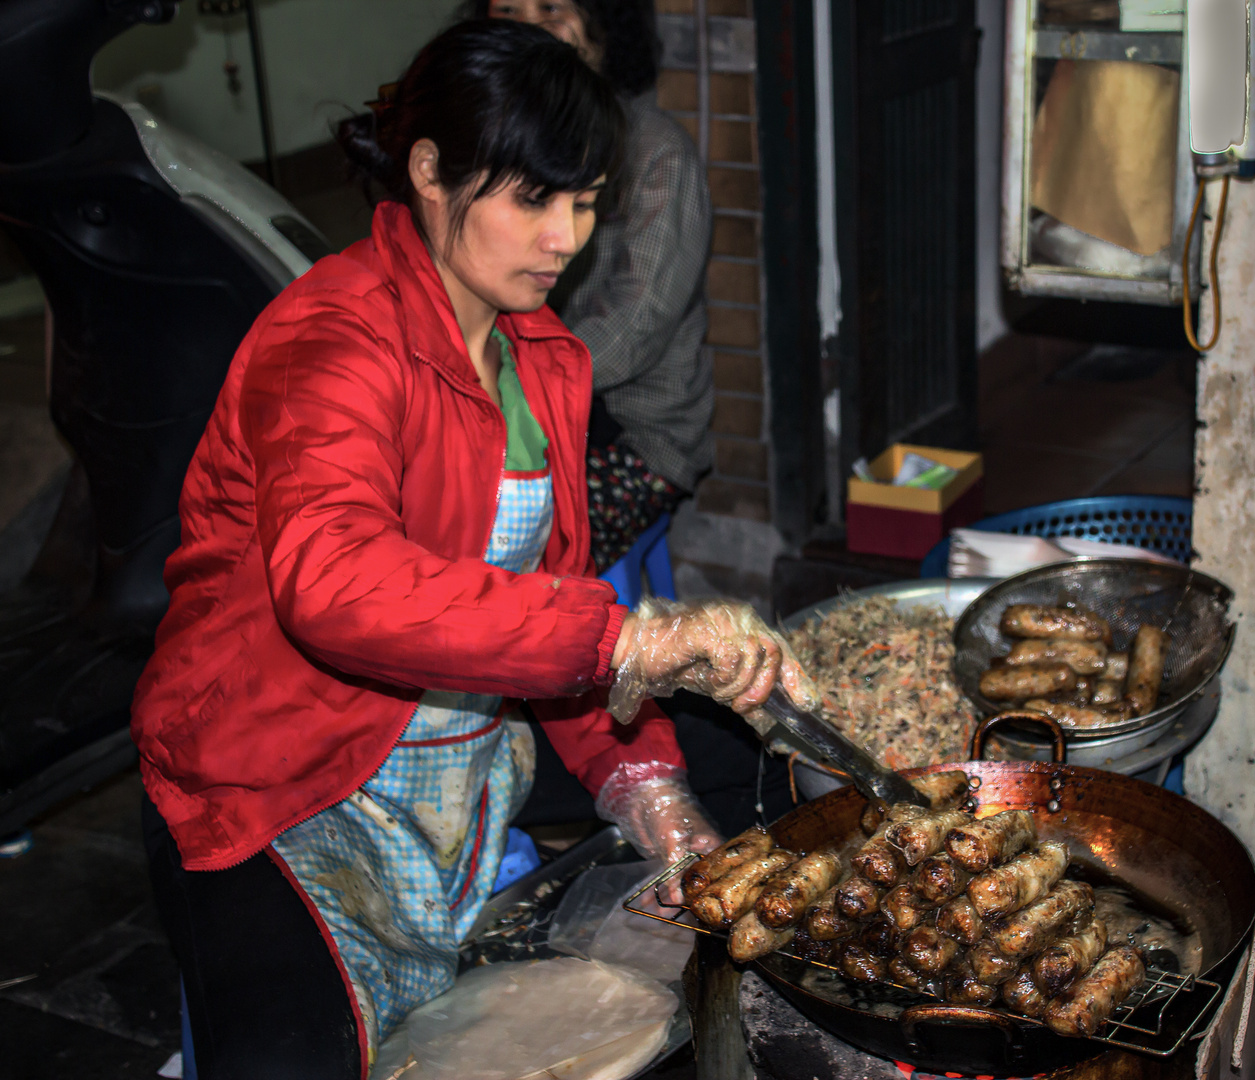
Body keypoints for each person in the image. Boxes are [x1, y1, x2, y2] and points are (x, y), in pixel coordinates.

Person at [130, 21, 807, 1077]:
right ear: (429, 171)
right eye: (533, 199)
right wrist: (622, 637)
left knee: (767, 769)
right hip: (279, 776)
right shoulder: (333, 341)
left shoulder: (542, 360)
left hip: (455, 749)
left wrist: (645, 783)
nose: (564, 239)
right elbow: (333, 579)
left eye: (584, 203)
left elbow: (543, 603)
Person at [471, 0, 714, 571]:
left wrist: (507, 387)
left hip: (634, 437)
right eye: (509, 8)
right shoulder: (493, 144)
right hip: (519, 410)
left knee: (507, 548)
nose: (531, 24)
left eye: (553, 6)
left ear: (605, 32)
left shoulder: (654, 154)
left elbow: (634, 328)